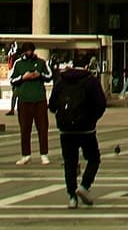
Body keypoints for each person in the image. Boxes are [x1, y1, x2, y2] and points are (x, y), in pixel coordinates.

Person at [49, 55, 107, 208]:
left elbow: (52, 105)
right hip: (86, 129)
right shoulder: (91, 81)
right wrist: (93, 118)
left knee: (70, 163)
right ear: (87, 66)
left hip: (66, 130)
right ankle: (84, 186)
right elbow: (101, 103)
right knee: (94, 158)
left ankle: (72, 197)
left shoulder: (61, 81)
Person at [11, 40, 51, 165]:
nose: (29, 53)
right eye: (27, 51)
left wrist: (40, 75)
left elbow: (49, 76)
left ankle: (44, 154)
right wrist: (23, 77)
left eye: (30, 51)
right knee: (25, 129)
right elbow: (12, 79)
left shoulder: (41, 62)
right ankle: (25, 155)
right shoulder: (18, 64)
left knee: (42, 128)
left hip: (39, 99)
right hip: (24, 100)